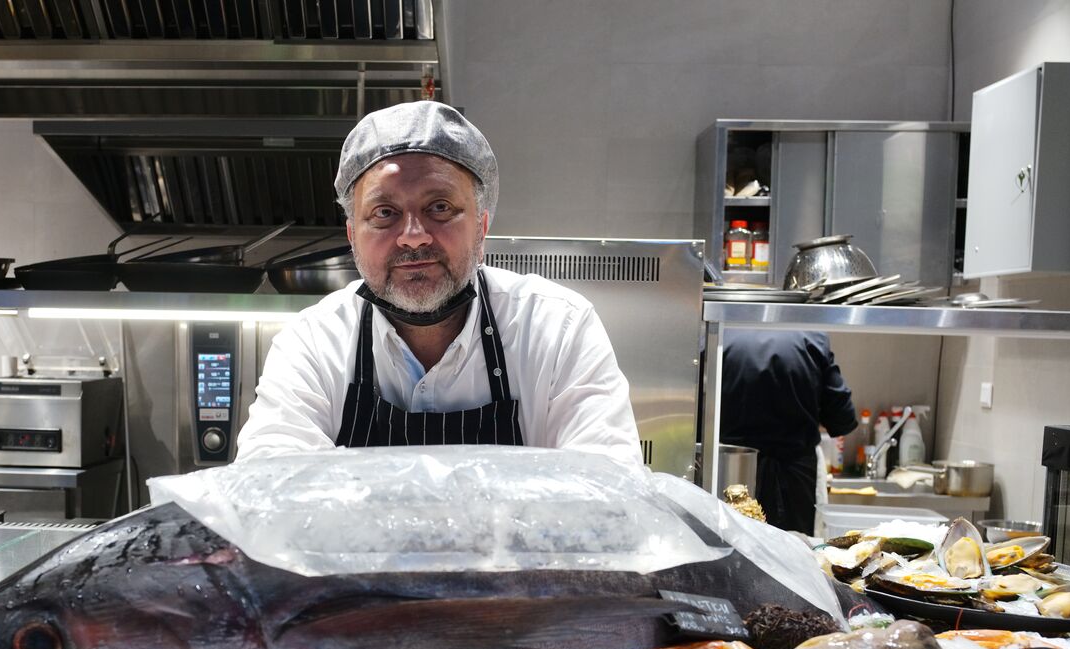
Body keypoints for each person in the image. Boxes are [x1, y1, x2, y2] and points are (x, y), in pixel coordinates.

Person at [236, 100, 640, 466]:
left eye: (440, 207)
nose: (413, 235)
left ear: (481, 227)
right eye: (384, 212)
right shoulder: (313, 343)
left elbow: (609, 494)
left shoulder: (557, 330)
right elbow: (268, 490)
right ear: (352, 236)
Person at [719, 330, 858, 534]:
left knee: (730, 547)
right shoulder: (812, 337)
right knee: (794, 552)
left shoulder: (719, 333)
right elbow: (842, 418)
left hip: (731, 471)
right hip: (794, 478)